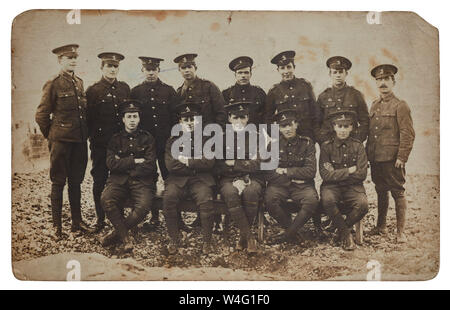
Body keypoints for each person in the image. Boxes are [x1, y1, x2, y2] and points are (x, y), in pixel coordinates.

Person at [35, 44, 93, 240]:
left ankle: (77, 223)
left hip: (78, 142)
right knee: (58, 182)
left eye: (75, 57)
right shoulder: (53, 83)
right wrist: (52, 136)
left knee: (76, 182)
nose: (73, 61)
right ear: (60, 61)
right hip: (61, 142)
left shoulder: (79, 82)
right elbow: (42, 114)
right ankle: (56, 227)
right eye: (69, 58)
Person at [366, 64, 415, 243]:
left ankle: (400, 232)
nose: (382, 83)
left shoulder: (400, 105)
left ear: (393, 82)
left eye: (386, 79)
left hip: (393, 159)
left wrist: (402, 157)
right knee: (380, 191)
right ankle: (381, 226)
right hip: (376, 158)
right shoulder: (374, 105)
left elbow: (407, 133)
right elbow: (371, 134)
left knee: (398, 192)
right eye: (379, 80)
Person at [100, 100, 157, 252]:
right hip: (118, 180)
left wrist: (125, 166)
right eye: (129, 116)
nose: (132, 120)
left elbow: (150, 165)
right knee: (106, 199)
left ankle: (114, 235)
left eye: (135, 116)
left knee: (143, 206)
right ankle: (125, 238)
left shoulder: (148, 138)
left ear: (139, 118)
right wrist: (135, 160)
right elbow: (111, 163)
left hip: (142, 180)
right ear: (123, 119)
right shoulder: (115, 139)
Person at [130, 56, 178, 230]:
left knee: (170, 177)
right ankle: (154, 217)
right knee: (148, 178)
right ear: (142, 70)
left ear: (159, 70)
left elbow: (175, 119)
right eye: (147, 69)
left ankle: (175, 217)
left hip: (166, 143)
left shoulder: (169, 91)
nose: (150, 73)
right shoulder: (135, 92)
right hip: (145, 145)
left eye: (154, 69)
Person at [163, 102, 216, 255]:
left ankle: (207, 241)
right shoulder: (173, 140)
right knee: (169, 198)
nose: (190, 123)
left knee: (206, 200)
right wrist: (197, 161)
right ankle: (174, 238)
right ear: (180, 122)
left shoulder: (207, 138)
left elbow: (209, 162)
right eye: (186, 120)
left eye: (193, 119)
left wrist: (186, 160)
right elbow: (171, 166)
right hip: (177, 180)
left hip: (201, 180)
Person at [86, 52, 130, 232]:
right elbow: (88, 119)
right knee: (100, 180)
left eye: (115, 66)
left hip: (121, 145)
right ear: (102, 68)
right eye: (108, 66)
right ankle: (100, 218)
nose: (112, 69)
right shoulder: (93, 90)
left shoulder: (124, 89)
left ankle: (119, 217)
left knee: (120, 180)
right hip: (101, 145)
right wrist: (93, 140)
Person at [264, 109, 319, 244]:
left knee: (311, 200)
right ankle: (293, 232)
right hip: (280, 185)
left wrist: (286, 171)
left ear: (296, 124)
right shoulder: (273, 145)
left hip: (302, 186)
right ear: (279, 127)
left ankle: (287, 235)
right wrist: (292, 177)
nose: (287, 129)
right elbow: (268, 172)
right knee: (269, 199)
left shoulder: (307, 143)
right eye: (283, 126)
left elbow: (311, 171)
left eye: (290, 124)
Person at [216, 101, 264, 252]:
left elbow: (258, 164)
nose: (239, 121)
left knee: (251, 191)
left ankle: (242, 238)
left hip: (253, 178)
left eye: (242, 117)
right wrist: (237, 176)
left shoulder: (257, 137)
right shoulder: (221, 138)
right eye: (235, 118)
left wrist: (234, 163)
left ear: (248, 118)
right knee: (230, 192)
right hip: (229, 179)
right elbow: (218, 165)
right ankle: (249, 238)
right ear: (229, 118)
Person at [319, 110, 369, 251]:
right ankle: (346, 234)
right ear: (334, 127)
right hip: (331, 187)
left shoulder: (358, 146)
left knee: (363, 204)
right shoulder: (326, 147)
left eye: (346, 126)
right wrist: (348, 171)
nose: (342, 130)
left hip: (353, 187)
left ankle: (339, 229)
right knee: (328, 200)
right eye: (339, 126)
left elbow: (362, 174)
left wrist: (337, 174)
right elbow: (325, 175)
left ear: (351, 127)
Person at [264, 50, 320, 141]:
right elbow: (267, 119)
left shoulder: (305, 86)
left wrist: (314, 136)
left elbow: (315, 113)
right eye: (282, 68)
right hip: (286, 139)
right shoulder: (274, 91)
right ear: (278, 70)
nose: (286, 71)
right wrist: (278, 136)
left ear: (294, 67)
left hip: (307, 137)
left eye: (289, 67)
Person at [316, 56, 369, 144]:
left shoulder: (356, 95)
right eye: (335, 72)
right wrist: (323, 140)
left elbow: (365, 121)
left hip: (351, 144)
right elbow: (316, 122)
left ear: (346, 73)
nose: (338, 75)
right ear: (330, 74)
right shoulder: (323, 96)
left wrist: (357, 139)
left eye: (341, 72)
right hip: (329, 144)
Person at [173, 53, 227, 127]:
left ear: (195, 68)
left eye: (189, 67)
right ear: (179, 70)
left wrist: (216, 131)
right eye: (183, 68)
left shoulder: (209, 86)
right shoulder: (179, 92)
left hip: (209, 133)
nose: (187, 70)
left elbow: (221, 112)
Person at [222, 56, 266, 125]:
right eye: (240, 73)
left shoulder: (259, 93)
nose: (243, 76)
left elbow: (266, 116)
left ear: (250, 74)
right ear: (235, 75)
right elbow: (223, 117)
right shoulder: (226, 94)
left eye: (246, 72)